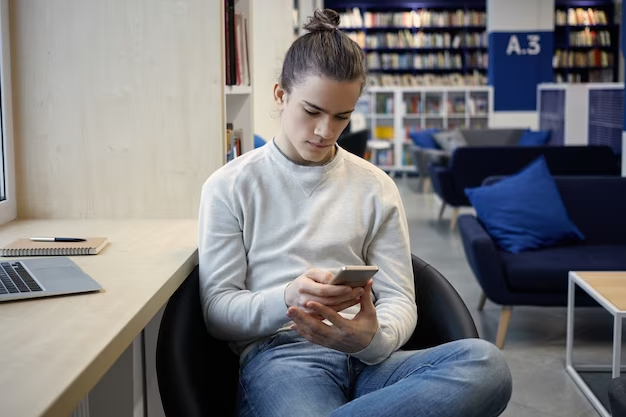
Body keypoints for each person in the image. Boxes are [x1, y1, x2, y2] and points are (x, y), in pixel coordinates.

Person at [198, 8, 512, 417]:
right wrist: (287, 297)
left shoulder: (375, 185)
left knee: (487, 366)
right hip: (283, 360)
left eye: (341, 117)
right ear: (280, 95)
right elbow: (218, 312)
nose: (325, 130)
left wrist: (369, 339)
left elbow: (400, 299)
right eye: (312, 111)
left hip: (371, 361)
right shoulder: (229, 186)